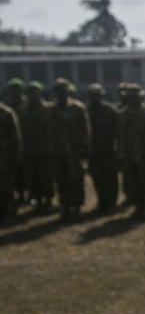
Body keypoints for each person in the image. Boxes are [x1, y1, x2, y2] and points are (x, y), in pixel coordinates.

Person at [48, 78, 90, 219]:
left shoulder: (78, 108)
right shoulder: (50, 110)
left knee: (76, 180)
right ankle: (64, 207)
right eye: (59, 92)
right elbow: (45, 131)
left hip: (74, 152)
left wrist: (84, 150)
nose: (62, 94)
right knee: (61, 181)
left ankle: (76, 207)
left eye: (64, 91)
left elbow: (85, 131)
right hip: (56, 152)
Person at [118, 84, 145, 218]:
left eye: (135, 97)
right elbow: (120, 137)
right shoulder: (123, 114)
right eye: (130, 97)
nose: (133, 100)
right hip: (129, 155)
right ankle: (137, 206)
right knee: (132, 182)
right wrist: (121, 154)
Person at [19, 81, 53, 212]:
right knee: (32, 178)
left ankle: (48, 200)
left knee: (46, 177)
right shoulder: (23, 110)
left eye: (35, 92)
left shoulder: (48, 109)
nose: (33, 95)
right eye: (30, 92)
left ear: (40, 93)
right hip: (28, 150)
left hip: (45, 149)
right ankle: (37, 201)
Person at [87, 83, 119, 213]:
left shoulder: (110, 110)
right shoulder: (86, 111)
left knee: (110, 178)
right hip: (93, 151)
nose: (95, 98)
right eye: (93, 96)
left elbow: (119, 130)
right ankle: (102, 201)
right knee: (97, 178)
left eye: (97, 95)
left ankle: (111, 203)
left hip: (109, 151)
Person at [0, 99, 20, 223]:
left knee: (6, 183)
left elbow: (15, 137)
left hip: (4, 156)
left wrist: (15, 155)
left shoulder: (7, 113)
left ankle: (8, 208)